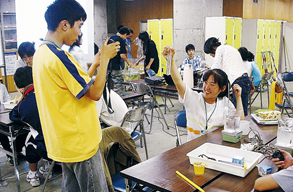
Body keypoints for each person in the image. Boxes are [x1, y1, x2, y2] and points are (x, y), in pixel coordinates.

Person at [32, 0, 119, 191]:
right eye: (79, 26)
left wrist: (95, 64)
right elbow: (95, 93)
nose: (80, 33)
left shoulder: (41, 54)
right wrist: (104, 59)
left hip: (63, 143)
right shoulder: (60, 57)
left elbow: (76, 87)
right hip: (81, 144)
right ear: (64, 24)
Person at [162, 46, 244, 141]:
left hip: (216, 146)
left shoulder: (224, 103)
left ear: (222, 88)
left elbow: (240, 121)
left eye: (212, 84)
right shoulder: (193, 98)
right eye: (206, 82)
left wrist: (238, 98)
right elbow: (178, 81)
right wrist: (170, 60)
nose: (207, 87)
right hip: (193, 148)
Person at [9, 66, 51, 187]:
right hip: (66, 141)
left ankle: (33, 175)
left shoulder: (23, 106)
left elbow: (13, 115)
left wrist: (22, 97)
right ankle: (47, 167)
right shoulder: (48, 91)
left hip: (49, 149)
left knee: (30, 142)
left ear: (19, 87)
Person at [204, 37, 251, 116]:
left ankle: (242, 127)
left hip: (239, 81)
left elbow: (216, 68)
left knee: (239, 112)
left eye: (209, 53)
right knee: (242, 110)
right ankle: (243, 126)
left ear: (213, 47)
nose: (211, 55)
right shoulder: (228, 48)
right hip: (245, 79)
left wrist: (206, 74)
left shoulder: (220, 49)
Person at [108, 26, 132, 96]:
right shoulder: (120, 40)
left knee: (109, 84)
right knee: (119, 83)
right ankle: (122, 99)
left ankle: (110, 99)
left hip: (107, 65)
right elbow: (122, 55)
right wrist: (128, 62)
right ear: (125, 34)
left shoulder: (111, 37)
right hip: (115, 65)